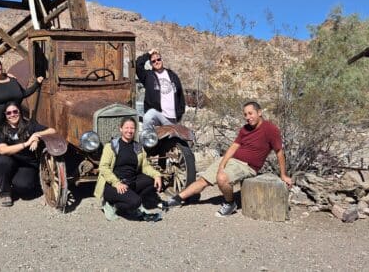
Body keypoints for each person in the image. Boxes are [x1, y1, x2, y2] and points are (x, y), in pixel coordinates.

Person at [163, 101, 292, 217]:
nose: (248, 117)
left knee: (222, 178)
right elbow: (234, 146)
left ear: (259, 112)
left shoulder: (270, 129)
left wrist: (283, 175)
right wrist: (222, 164)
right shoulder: (245, 129)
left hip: (247, 166)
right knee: (203, 180)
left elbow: (279, 151)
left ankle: (230, 203)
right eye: (245, 114)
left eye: (250, 113)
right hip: (231, 160)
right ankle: (177, 199)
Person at [0, 58, 43, 192]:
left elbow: (23, 94)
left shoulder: (12, 81)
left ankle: (14, 177)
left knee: (15, 152)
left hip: (12, 124)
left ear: (1, 65)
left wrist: (37, 83)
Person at [94, 117, 164, 222]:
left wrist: (156, 175)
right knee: (136, 202)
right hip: (112, 185)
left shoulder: (138, 147)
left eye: (132, 128)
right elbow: (103, 167)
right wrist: (116, 183)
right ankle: (111, 205)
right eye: (126, 128)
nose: (129, 131)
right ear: (121, 129)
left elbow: (145, 166)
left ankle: (127, 199)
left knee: (151, 181)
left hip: (130, 181)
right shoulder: (111, 146)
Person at [0, 102, 55, 207]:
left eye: (15, 111)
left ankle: (18, 181)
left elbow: (52, 130)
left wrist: (37, 135)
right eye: (9, 113)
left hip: (27, 164)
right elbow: (2, 150)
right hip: (10, 161)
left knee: (24, 188)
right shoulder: (1, 130)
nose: (12, 115)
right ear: (5, 115)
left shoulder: (29, 125)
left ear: (20, 112)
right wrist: (27, 143)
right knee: (2, 161)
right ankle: (5, 192)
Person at [136, 48, 186, 132]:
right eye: (153, 61)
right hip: (157, 116)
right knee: (149, 115)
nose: (156, 62)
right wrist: (149, 54)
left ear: (162, 60)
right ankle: (147, 138)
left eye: (158, 59)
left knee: (170, 142)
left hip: (172, 118)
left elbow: (180, 94)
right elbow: (138, 65)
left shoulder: (172, 75)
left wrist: (180, 112)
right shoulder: (148, 76)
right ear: (151, 64)